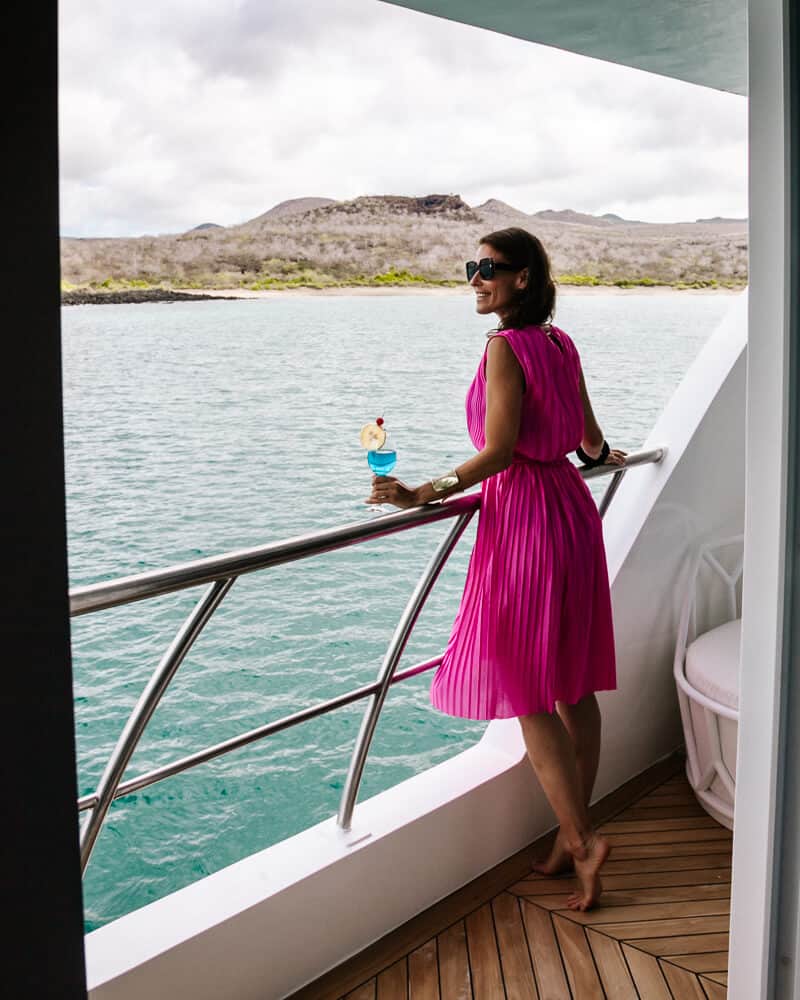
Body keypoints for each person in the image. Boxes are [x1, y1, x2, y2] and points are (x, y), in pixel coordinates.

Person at [365, 227, 626, 911]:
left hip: (527, 521)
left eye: (488, 268)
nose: (475, 278)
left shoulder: (504, 346)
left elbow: (504, 449)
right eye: (471, 267)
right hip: (570, 510)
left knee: (530, 686)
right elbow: (590, 442)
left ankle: (580, 841)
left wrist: (427, 490)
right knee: (572, 685)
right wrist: (603, 457)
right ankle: (574, 834)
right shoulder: (561, 343)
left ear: (523, 278)